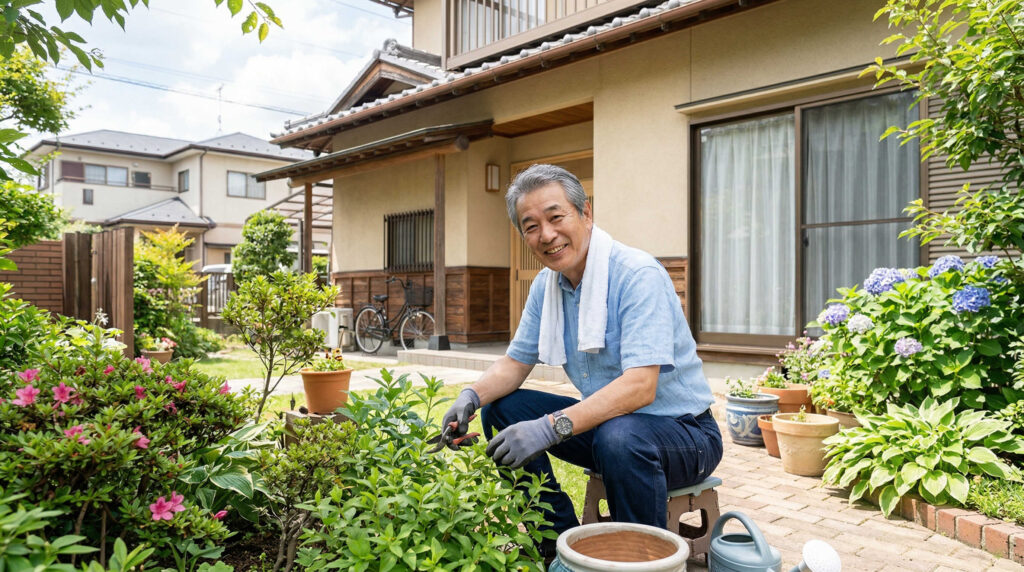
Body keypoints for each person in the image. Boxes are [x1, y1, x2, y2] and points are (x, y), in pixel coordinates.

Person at [441, 163, 722, 539]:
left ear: (586, 213)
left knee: (620, 437)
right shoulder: (547, 286)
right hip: (612, 431)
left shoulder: (637, 275)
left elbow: (641, 387)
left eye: (556, 217)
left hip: (686, 435)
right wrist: (470, 396)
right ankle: (555, 540)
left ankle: (640, 559)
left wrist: (549, 428)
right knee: (503, 409)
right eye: (531, 226)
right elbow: (515, 362)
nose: (547, 235)